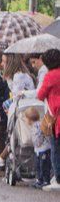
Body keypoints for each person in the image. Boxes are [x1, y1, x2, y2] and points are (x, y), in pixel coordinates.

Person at [36, 48, 60, 191]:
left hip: (56, 118)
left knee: (56, 148)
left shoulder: (50, 76)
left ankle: (58, 178)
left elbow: (40, 95)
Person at [24, 107, 52, 188]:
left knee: (42, 165)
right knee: (40, 165)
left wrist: (35, 143)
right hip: (42, 149)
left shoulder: (35, 126)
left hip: (42, 149)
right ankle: (41, 179)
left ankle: (44, 180)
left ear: (29, 119)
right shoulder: (40, 124)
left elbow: (38, 139)